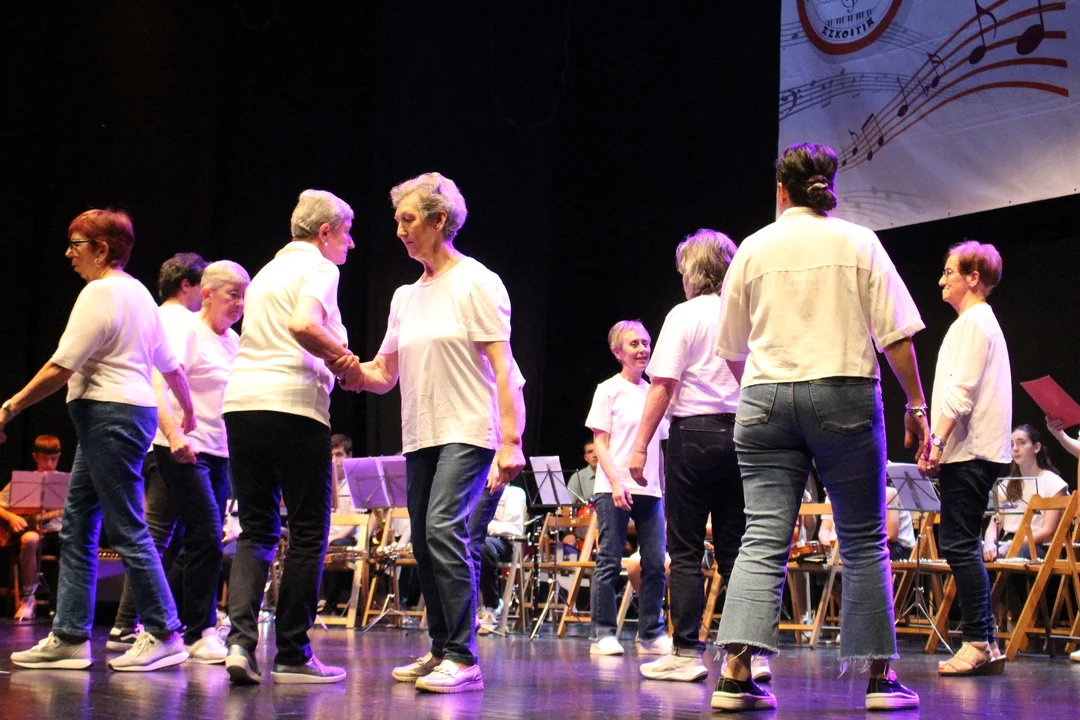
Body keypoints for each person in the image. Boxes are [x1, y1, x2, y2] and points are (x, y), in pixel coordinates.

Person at [711, 143, 927, 712]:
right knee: (863, 538)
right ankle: (880, 680)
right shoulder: (859, 242)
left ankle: (735, 674)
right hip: (844, 393)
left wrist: (760, 390)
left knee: (762, 536)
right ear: (829, 186)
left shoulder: (752, 248)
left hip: (763, 398)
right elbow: (897, 336)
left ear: (781, 191)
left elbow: (731, 348)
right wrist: (916, 406)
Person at [1, 208, 195, 672]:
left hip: (111, 416)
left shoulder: (100, 292)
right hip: (115, 418)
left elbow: (60, 366)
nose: (69, 254)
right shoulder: (140, 294)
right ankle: (70, 635)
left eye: (76, 245)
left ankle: (165, 631)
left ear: (102, 249)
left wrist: (9, 407)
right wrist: (186, 411)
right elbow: (170, 366)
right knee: (78, 523)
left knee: (126, 525)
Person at [357, 172, 525, 694]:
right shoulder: (404, 297)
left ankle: (463, 657)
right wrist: (339, 365)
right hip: (421, 433)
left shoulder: (477, 281)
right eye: (397, 221)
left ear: (439, 220)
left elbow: (504, 367)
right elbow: (383, 373)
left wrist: (511, 440)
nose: (399, 230)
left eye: (408, 219)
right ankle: (439, 649)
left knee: (442, 530)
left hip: (468, 428)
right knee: (425, 541)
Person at [220, 189, 356, 685]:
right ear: (325, 232)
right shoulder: (320, 268)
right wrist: (344, 361)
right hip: (293, 406)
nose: (351, 244)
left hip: (242, 406)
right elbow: (302, 324)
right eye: (346, 233)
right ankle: (293, 654)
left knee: (256, 530)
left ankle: (240, 643)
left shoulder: (264, 273)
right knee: (309, 531)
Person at [628, 229, 754, 683]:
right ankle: (748, 656)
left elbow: (662, 384)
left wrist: (640, 445)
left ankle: (685, 653)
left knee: (684, 550)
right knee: (738, 551)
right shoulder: (745, 311)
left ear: (694, 272)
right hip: (742, 433)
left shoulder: (684, 314)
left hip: (694, 433)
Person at [108, 252, 210, 654]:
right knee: (161, 534)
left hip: (159, 440)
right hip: (169, 442)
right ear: (187, 285)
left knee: (169, 535)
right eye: (202, 285)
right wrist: (174, 431)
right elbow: (161, 381)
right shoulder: (180, 321)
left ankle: (146, 620)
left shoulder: (157, 316)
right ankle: (127, 623)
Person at [148, 260, 248, 663]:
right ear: (206, 294)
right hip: (183, 447)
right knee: (205, 535)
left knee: (201, 541)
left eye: (244, 297)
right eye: (233, 294)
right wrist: (174, 434)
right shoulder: (188, 331)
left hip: (218, 451)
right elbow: (158, 383)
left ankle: (166, 623)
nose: (240, 304)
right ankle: (200, 631)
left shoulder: (233, 341)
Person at [920, 240, 1012, 677]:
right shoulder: (972, 323)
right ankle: (986, 643)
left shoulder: (975, 323)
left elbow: (962, 392)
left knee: (959, 544)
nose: (942, 280)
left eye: (949, 272)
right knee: (962, 543)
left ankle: (977, 641)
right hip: (970, 450)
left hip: (971, 452)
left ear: (974, 278)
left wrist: (937, 442)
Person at [585, 320, 670, 658]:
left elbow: (658, 448)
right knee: (609, 559)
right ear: (617, 352)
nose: (642, 349)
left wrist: (663, 490)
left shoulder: (655, 392)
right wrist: (616, 483)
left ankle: (651, 632)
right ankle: (602, 633)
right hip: (613, 486)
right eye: (634, 344)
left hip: (650, 491)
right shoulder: (608, 389)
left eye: (646, 343)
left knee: (655, 562)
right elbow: (600, 442)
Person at [0, 435, 65, 620]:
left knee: (74, 541)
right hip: (32, 532)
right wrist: (12, 517)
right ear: (35, 457)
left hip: (58, 534)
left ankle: (63, 603)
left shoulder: (66, 482)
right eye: (44, 458)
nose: (49, 464)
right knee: (30, 539)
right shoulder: (23, 482)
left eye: (53, 459)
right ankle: (28, 599)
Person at [474, 482, 527, 634]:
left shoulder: (513, 493)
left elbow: (514, 528)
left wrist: (485, 526)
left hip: (504, 542)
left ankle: (493, 604)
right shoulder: (475, 489)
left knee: (482, 547)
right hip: (478, 538)